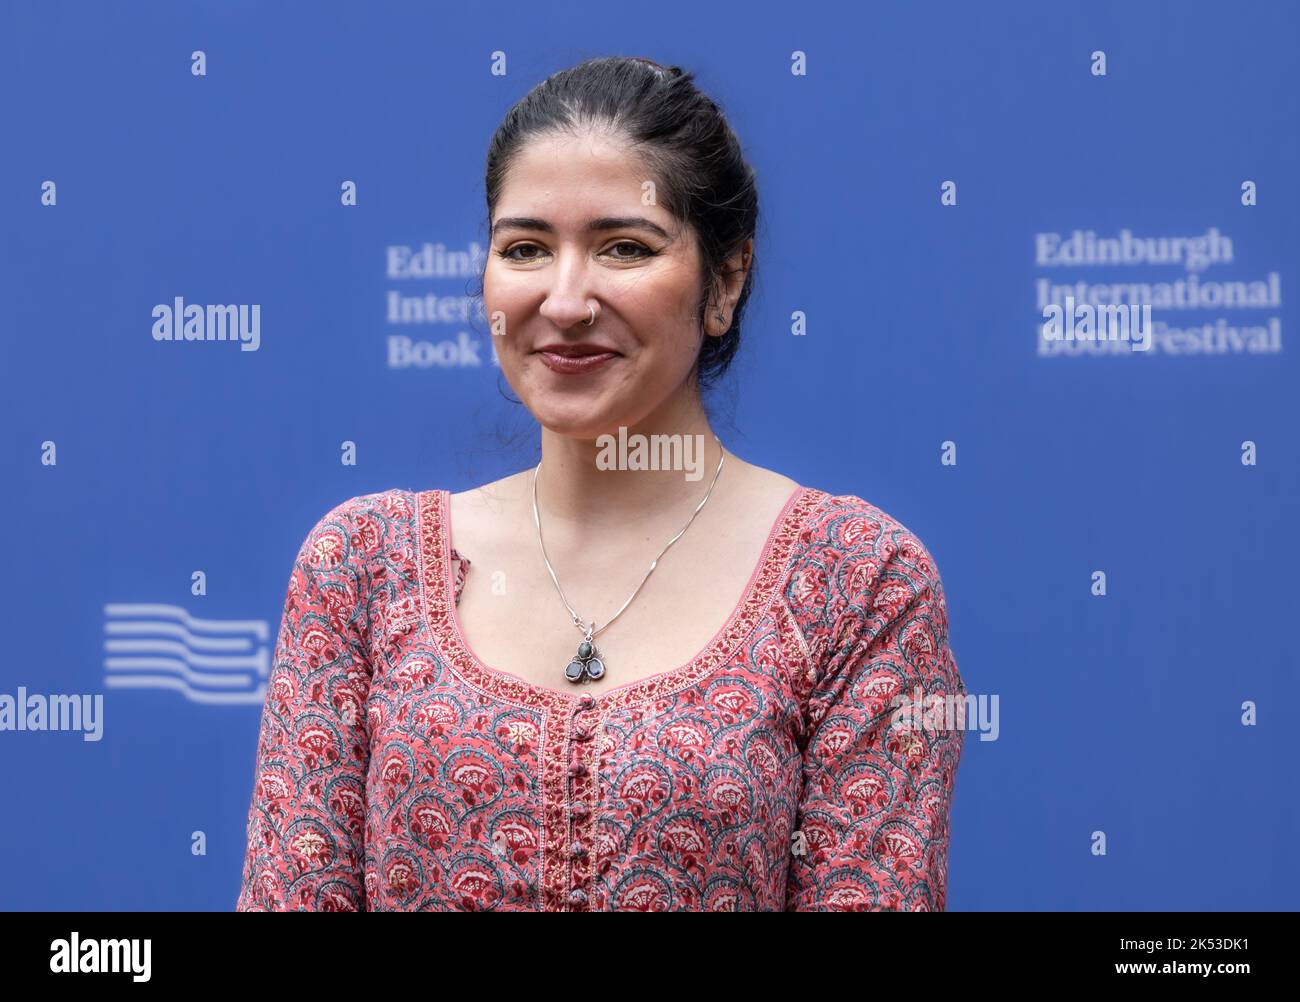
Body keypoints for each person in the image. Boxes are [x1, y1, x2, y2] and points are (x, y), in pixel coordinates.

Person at [236, 55, 965, 912]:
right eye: (525, 249)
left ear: (725, 281)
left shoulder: (855, 581)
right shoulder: (363, 566)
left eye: (625, 247)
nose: (567, 298)